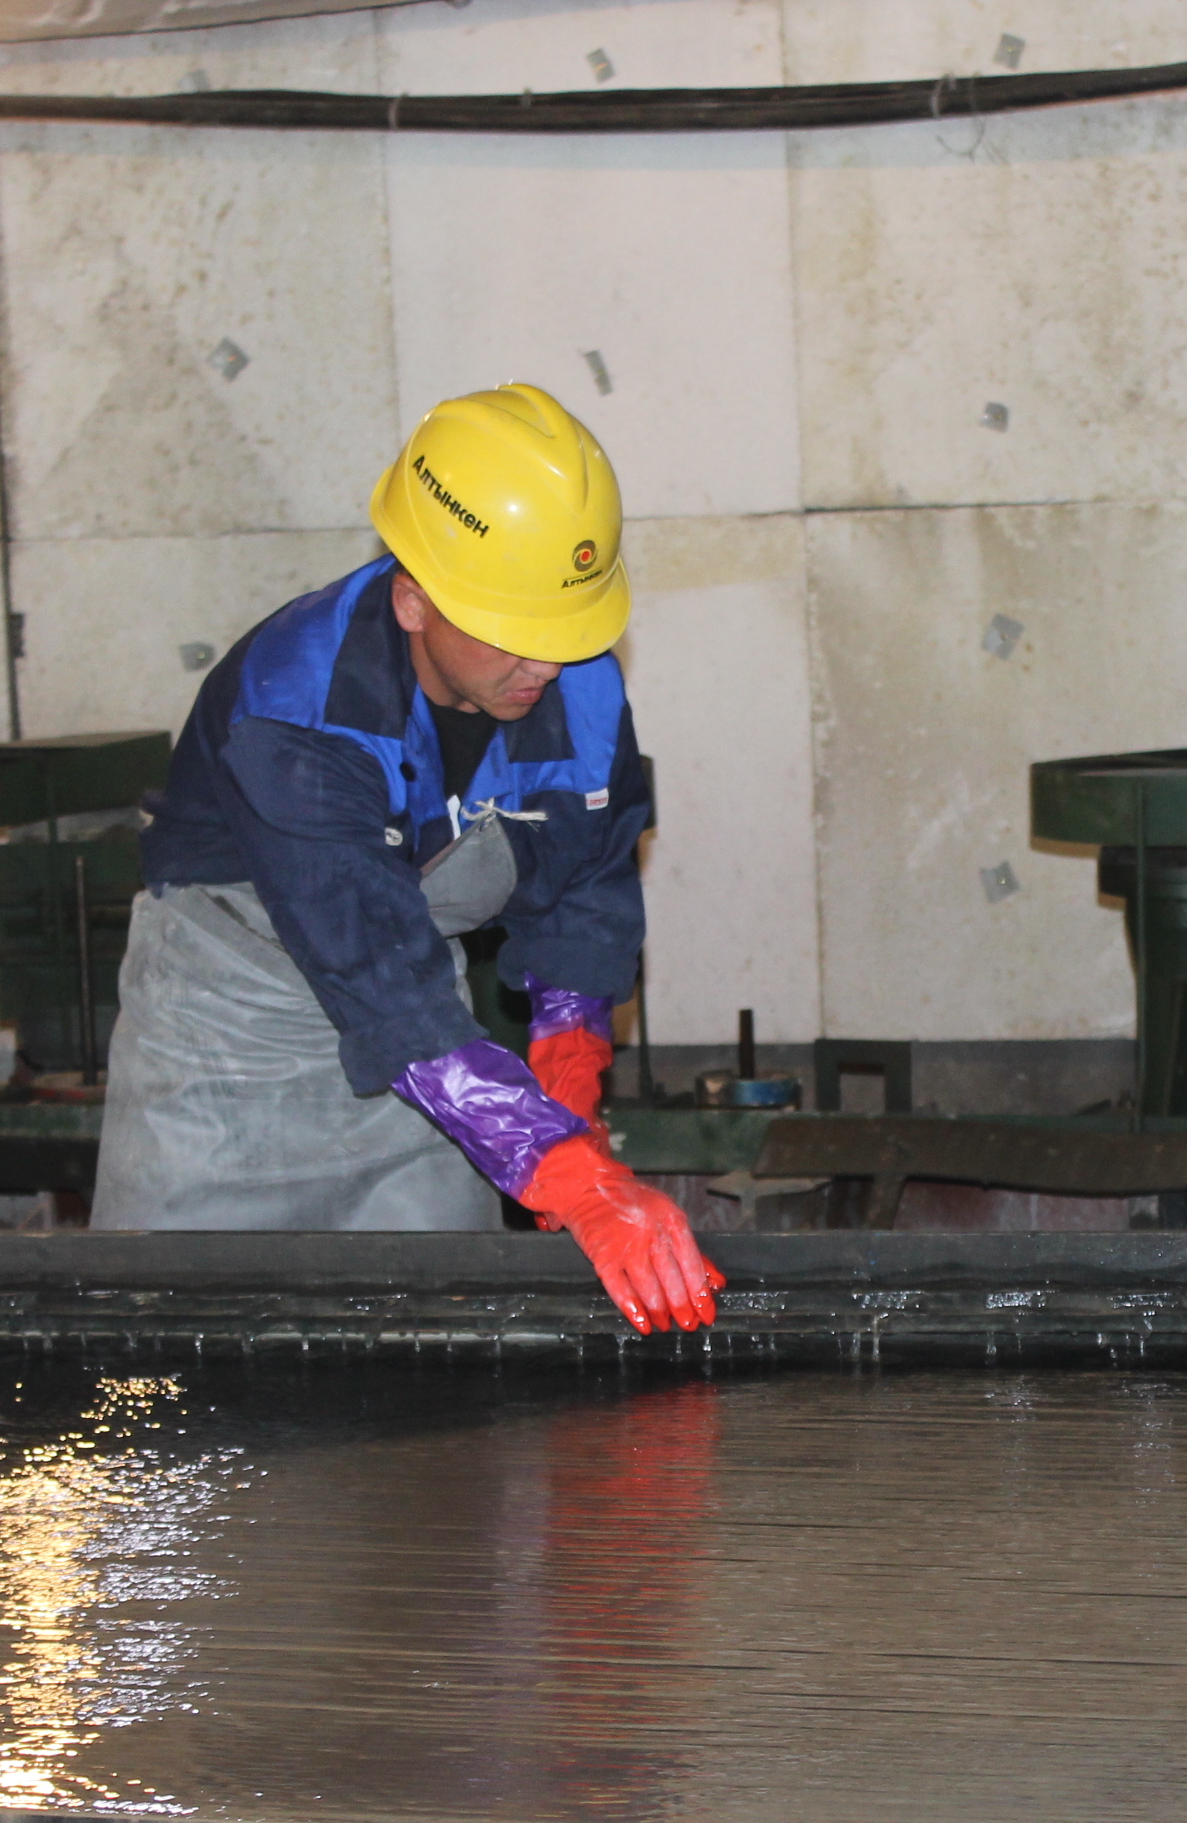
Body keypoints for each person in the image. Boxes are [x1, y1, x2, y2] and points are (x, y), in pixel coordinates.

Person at [92, 383, 721, 1335]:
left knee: (439, 1355)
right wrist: (564, 1173)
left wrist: (569, 1088)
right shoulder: (300, 706)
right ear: (413, 600)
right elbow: (374, 964)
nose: (547, 667)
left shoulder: (576, 682)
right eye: (518, 633)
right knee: (169, 1353)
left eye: (565, 630)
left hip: (428, 1074)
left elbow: (585, 883)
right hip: (228, 1055)